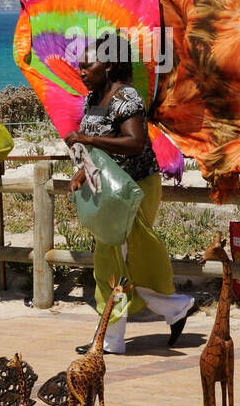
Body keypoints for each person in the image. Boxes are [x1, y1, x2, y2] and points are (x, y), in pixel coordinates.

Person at [66, 31, 194, 354]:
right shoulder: (92, 100)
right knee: (116, 258)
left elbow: (135, 143)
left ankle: (111, 338)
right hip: (109, 188)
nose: (81, 72)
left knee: (120, 258)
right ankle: (173, 309)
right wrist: (83, 172)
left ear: (107, 65)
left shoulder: (128, 99)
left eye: (87, 66)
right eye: (79, 66)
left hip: (135, 188)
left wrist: (88, 140)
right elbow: (98, 151)